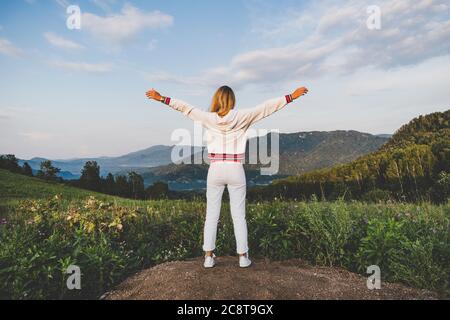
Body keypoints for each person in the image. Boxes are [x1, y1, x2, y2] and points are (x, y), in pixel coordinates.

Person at [146, 85, 309, 268]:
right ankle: (243, 257)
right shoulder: (242, 116)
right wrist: (291, 97)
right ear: (232, 100)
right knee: (239, 216)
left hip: (215, 169)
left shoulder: (208, 118)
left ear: (216, 99)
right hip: (235, 168)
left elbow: (185, 108)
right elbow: (267, 108)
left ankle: (208, 257)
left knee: (211, 215)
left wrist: (162, 98)